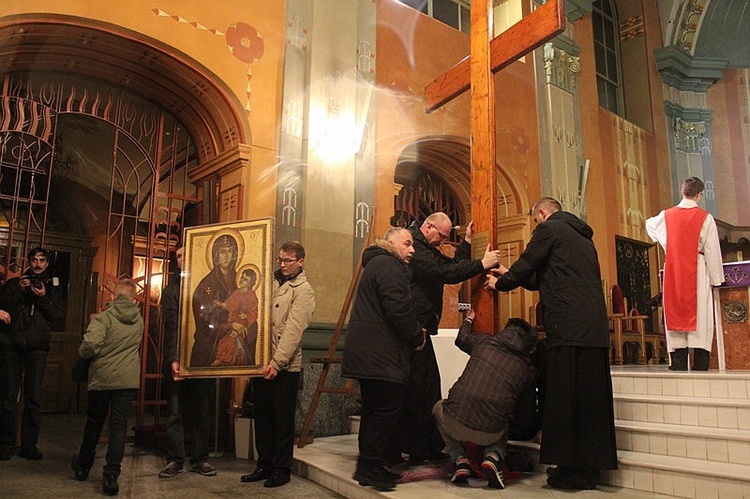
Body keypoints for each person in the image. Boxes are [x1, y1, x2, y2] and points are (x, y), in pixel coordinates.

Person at [485, 197, 617, 490]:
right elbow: (544, 276)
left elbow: (529, 262)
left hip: (568, 325)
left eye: (535, 221)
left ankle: (570, 470)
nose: (536, 226)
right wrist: (512, 274)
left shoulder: (549, 230)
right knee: (590, 400)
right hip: (592, 328)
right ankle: (588, 470)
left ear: (542, 214)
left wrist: (500, 284)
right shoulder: (581, 237)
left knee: (566, 398)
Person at [388, 212, 501, 464]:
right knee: (419, 391)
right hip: (413, 332)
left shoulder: (425, 245)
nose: (442, 242)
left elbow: (448, 266)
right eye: (441, 236)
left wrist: (469, 244)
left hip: (421, 330)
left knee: (427, 388)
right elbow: (443, 271)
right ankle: (418, 448)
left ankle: (423, 447)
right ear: (429, 227)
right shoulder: (416, 246)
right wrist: (481, 264)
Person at [342, 227, 426, 491]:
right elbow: (398, 309)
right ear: (390, 243)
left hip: (369, 351)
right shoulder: (388, 265)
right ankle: (369, 466)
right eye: (407, 244)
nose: (412, 250)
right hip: (381, 352)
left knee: (374, 407)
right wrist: (416, 336)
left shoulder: (376, 264)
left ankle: (370, 465)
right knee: (386, 407)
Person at [432, 310, 537, 489]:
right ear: (531, 347)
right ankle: (494, 456)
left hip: (454, 422)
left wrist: (469, 319)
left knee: (438, 407)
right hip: (491, 432)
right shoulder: (527, 369)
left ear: (505, 331)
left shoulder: (485, 342)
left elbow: (461, 339)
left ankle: (459, 458)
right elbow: (524, 414)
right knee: (504, 416)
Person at [241, 241, 315, 488]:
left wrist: (278, 361)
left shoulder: (304, 291)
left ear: (300, 262)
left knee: (282, 419)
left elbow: (294, 329)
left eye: (288, 260)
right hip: (261, 361)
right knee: (262, 417)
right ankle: (263, 464)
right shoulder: (268, 282)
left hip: (285, 366)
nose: (282, 265)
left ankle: (281, 469)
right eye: (280, 260)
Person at [71, 279, 143, 496]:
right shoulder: (138, 320)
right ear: (132, 299)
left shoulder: (103, 318)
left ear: (114, 297)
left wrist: (83, 352)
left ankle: (83, 465)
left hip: (102, 379)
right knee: (118, 427)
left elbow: (90, 346)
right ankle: (111, 475)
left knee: (94, 423)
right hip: (127, 380)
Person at [645, 177, 724, 371]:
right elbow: (712, 249)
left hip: (673, 268)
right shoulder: (705, 217)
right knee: (700, 313)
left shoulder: (666, 215)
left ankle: (678, 362)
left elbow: (649, 225)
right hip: (696, 269)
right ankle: (699, 363)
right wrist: (716, 278)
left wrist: (666, 243)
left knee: (676, 308)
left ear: (682, 192)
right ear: (699, 195)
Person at [0, 247, 65, 461]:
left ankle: (30, 445)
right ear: (28, 261)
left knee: (33, 398)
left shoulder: (52, 287)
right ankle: (6, 444)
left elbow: (57, 315)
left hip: (38, 347)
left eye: (42, 260)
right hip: (13, 345)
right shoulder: (14, 284)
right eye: (34, 260)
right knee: (9, 396)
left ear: (47, 263)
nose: (37, 264)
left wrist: (44, 297)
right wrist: (19, 289)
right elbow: (3, 307)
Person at [158, 245, 217, 479]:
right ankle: (174, 459)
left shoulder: (207, 288)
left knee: (201, 410)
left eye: (185, 254)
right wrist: (174, 358)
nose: (182, 259)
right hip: (177, 358)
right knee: (174, 411)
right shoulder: (171, 291)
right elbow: (172, 326)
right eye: (178, 256)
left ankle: (200, 459)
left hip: (202, 357)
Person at [190, 234, 238, 367]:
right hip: (209, 345)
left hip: (232, 341)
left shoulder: (240, 280)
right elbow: (204, 320)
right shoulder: (206, 285)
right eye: (222, 252)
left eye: (230, 251)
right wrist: (228, 326)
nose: (227, 256)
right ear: (216, 255)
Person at [211, 268, 259, 366]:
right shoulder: (236, 293)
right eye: (242, 277)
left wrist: (246, 316)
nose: (242, 280)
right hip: (232, 321)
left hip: (243, 323)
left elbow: (254, 312)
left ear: (250, 283)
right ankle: (220, 358)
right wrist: (220, 304)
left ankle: (224, 359)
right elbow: (229, 305)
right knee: (223, 340)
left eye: (246, 279)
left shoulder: (251, 295)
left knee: (232, 341)